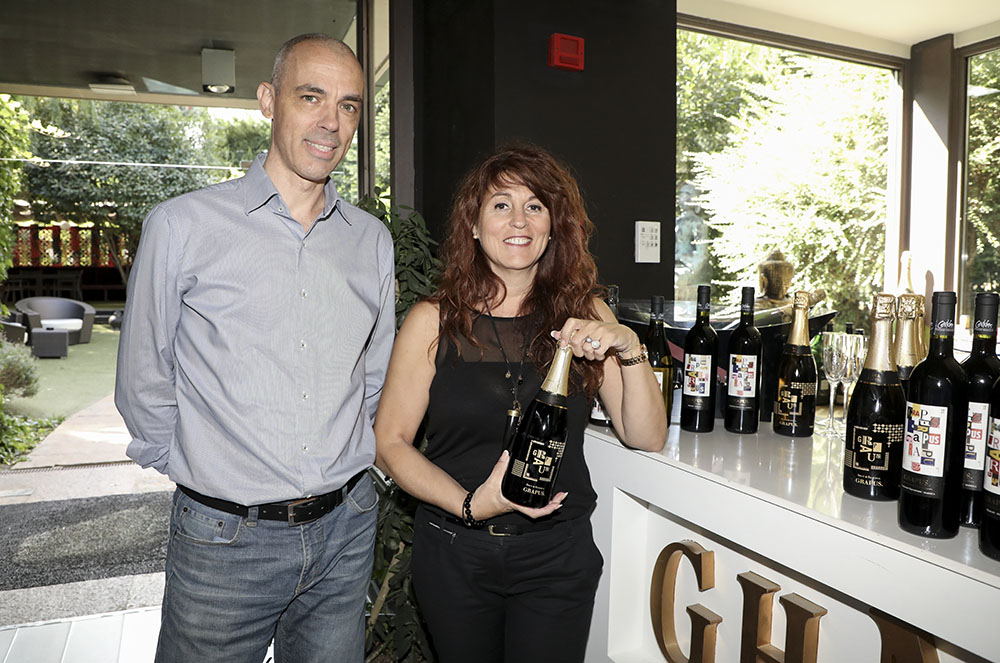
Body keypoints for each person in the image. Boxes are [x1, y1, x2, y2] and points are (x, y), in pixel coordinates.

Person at [115, 34, 394, 663]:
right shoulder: (182, 226)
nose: (331, 122)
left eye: (349, 105)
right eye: (311, 97)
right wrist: (204, 476)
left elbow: (372, 377)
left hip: (346, 530)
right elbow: (143, 379)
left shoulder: (370, 241)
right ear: (269, 100)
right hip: (224, 542)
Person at [374, 144, 667, 662]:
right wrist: (471, 505)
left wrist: (629, 346)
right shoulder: (433, 320)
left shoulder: (587, 314)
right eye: (500, 204)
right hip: (455, 553)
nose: (519, 220)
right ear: (473, 224)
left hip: (556, 557)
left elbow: (646, 435)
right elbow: (390, 443)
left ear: (553, 227)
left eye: (535, 206)